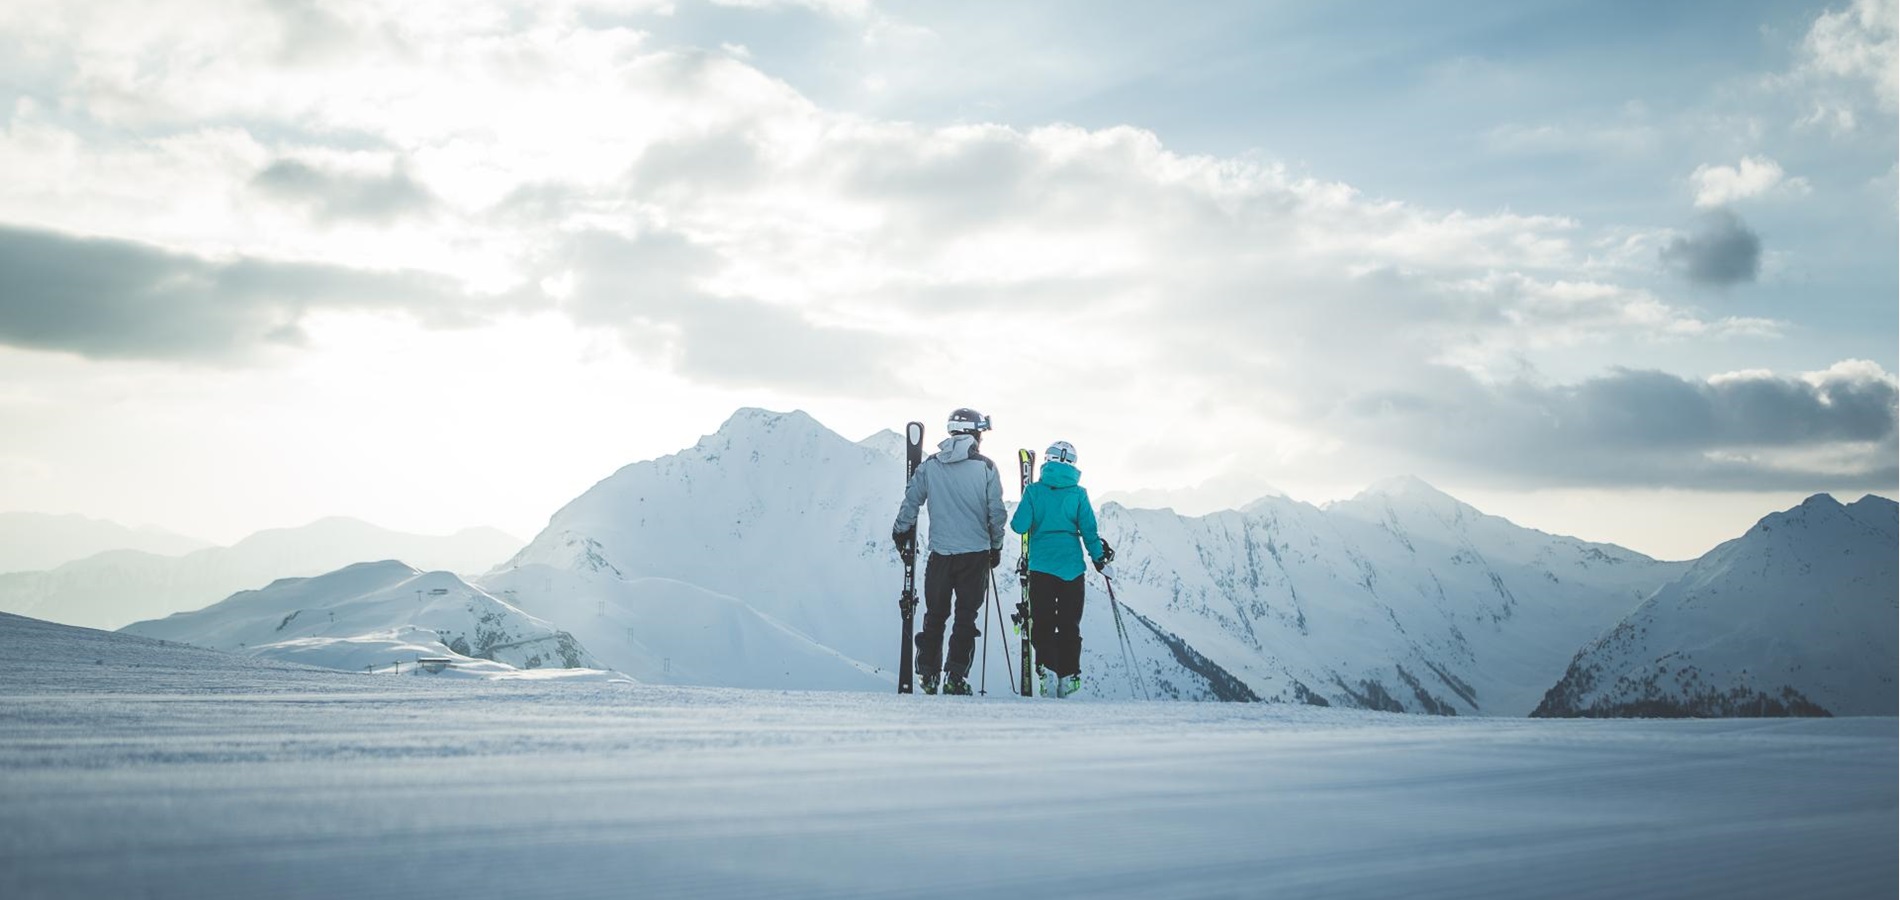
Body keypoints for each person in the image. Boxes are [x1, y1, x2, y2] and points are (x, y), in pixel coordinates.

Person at [892, 407, 1007, 695]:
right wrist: (996, 546)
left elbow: (911, 500)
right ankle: (956, 676)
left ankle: (928, 674)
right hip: (975, 555)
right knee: (965, 617)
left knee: (935, 615)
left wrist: (900, 530)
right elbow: (996, 513)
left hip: (941, 554)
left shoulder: (931, 466)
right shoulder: (987, 467)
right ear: (974, 433)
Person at [1010, 440, 1112, 698]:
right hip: (1072, 569)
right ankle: (1068, 676)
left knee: (1042, 622)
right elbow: (1089, 531)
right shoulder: (1079, 494)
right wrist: (1099, 559)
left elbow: (1018, 526)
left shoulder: (1034, 491)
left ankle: (1047, 669)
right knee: (1069, 624)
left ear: (1047, 461)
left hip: (1041, 567)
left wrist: (1031, 509)